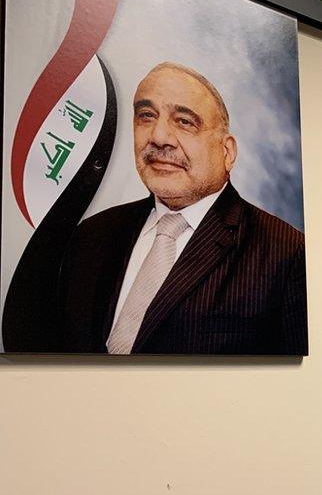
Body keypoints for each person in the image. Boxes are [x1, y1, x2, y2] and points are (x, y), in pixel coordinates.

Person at [57, 62, 307, 355]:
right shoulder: (91, 236)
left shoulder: (285, 252)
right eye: (146, 116)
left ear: (226, 152)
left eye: (184, 121)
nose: (159, 136)